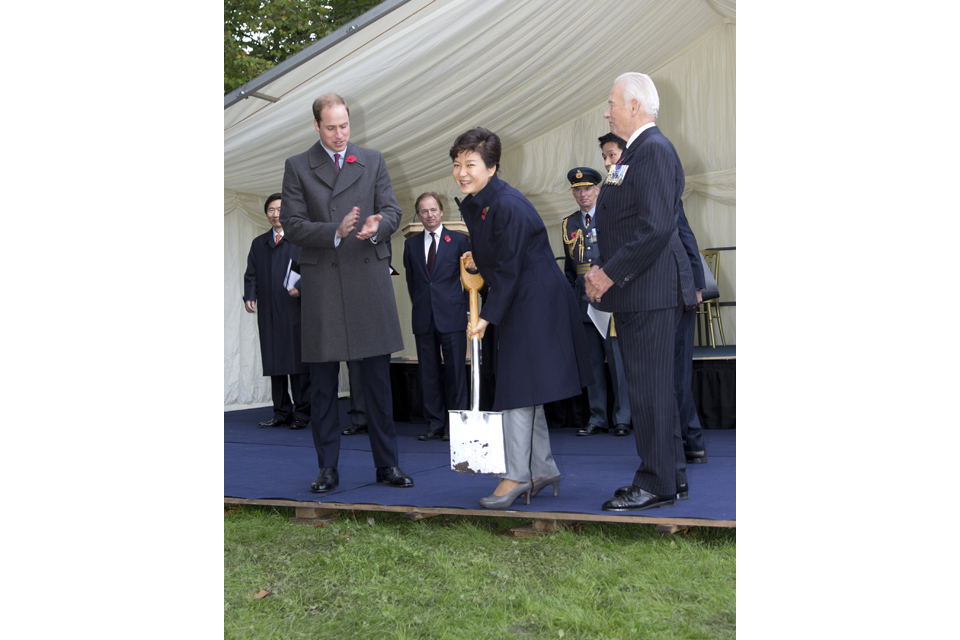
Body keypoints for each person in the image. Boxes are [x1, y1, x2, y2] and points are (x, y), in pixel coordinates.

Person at [452, 127, 593, 509]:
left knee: (517, 388)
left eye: (471, 164)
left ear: (492, 167)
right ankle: (542, 468)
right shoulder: (483, 201)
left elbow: (513, 268)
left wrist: (486, 319)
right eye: (457, 164)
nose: (462, 172)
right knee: (525, 386)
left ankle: (515, 476)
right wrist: (480, 259)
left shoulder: (507, 204)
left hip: (535, 302)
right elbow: (502, 254)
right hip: (520, 297)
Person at [279, 93, 414, 493]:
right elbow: (291, 223)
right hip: (323, 285)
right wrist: (333, 231)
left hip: (367, 280)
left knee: (377, 385)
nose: (340, 135)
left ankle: (387, 466)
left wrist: (380, 224)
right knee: (322, 387)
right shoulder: (298, 166)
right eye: (331, 127)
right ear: (317, 126)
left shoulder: (372, 160)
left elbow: (393, 210)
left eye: (345, 126)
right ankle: (327, 469)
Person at [584, 73, 697, 511]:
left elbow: (655, 228)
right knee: (655, 389)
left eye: (612, 103)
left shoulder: (652, 150)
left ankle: (655, 483)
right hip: (642, 289)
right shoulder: (638, 151)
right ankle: (673, 476)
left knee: (650, 391)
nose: (607, 111)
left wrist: (609, 274)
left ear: (634, 106)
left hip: (648, 291)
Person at [598, 132, 709, 463]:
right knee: (659, 380)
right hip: (638, 291)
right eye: (604, 156)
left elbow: (679, 231)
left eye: (613, 154)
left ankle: (691, 441)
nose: (609, 162)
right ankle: (674, 453)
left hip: (670, 290)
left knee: (674, 377)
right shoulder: (619, 189)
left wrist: (694, 284)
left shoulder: (650, 170)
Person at [561, 167, 632, 438]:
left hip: (610, 296)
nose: (582, 194)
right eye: (577, 190)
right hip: (582, 300)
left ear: (597, 190)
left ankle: (623, 417)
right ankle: (598, 417)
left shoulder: (611, 216)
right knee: (591, 362)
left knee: (617, 360)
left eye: (587, 189)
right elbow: (569, 268)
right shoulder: (568, 224)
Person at [402, 192, 471, 441]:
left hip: (452, 315)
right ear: (419, 215)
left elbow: (468, 281)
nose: (429, 215)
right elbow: (413, 282)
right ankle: (435, 423)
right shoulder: (410, 245)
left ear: (441, 212)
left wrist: (466, 312)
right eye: (424, 211)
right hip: (423, 316)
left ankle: (456, 425)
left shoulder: (460, 241)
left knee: (455, 373)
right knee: (428, 373)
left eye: (433, 210)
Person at [242, 193, 311, 430]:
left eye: (280, 209)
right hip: (269, 312)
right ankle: (281, 412)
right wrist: (250, 295)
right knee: (274, 362)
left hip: (294, 310)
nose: (275, 214)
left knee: (298, 364)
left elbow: (313, 271)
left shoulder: (300, 241)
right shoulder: (259, 243)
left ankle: (303, 413)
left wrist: (300, 288)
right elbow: (251, 274)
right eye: (271, 210)